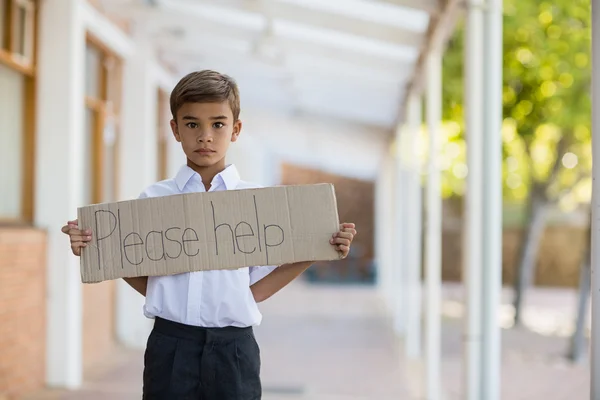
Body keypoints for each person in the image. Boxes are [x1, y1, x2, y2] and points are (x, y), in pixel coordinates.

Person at [61, 70, 357, 400]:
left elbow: (255, 291)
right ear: (175, 129)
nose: (205, 136)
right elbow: (142, 273)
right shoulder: (154, 201)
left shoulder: (257, 203)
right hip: (170, 347)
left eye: (218, 124)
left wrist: (318, 249)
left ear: (236, 130)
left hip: (235, 351)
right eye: (192, 124)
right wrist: (95, 247)